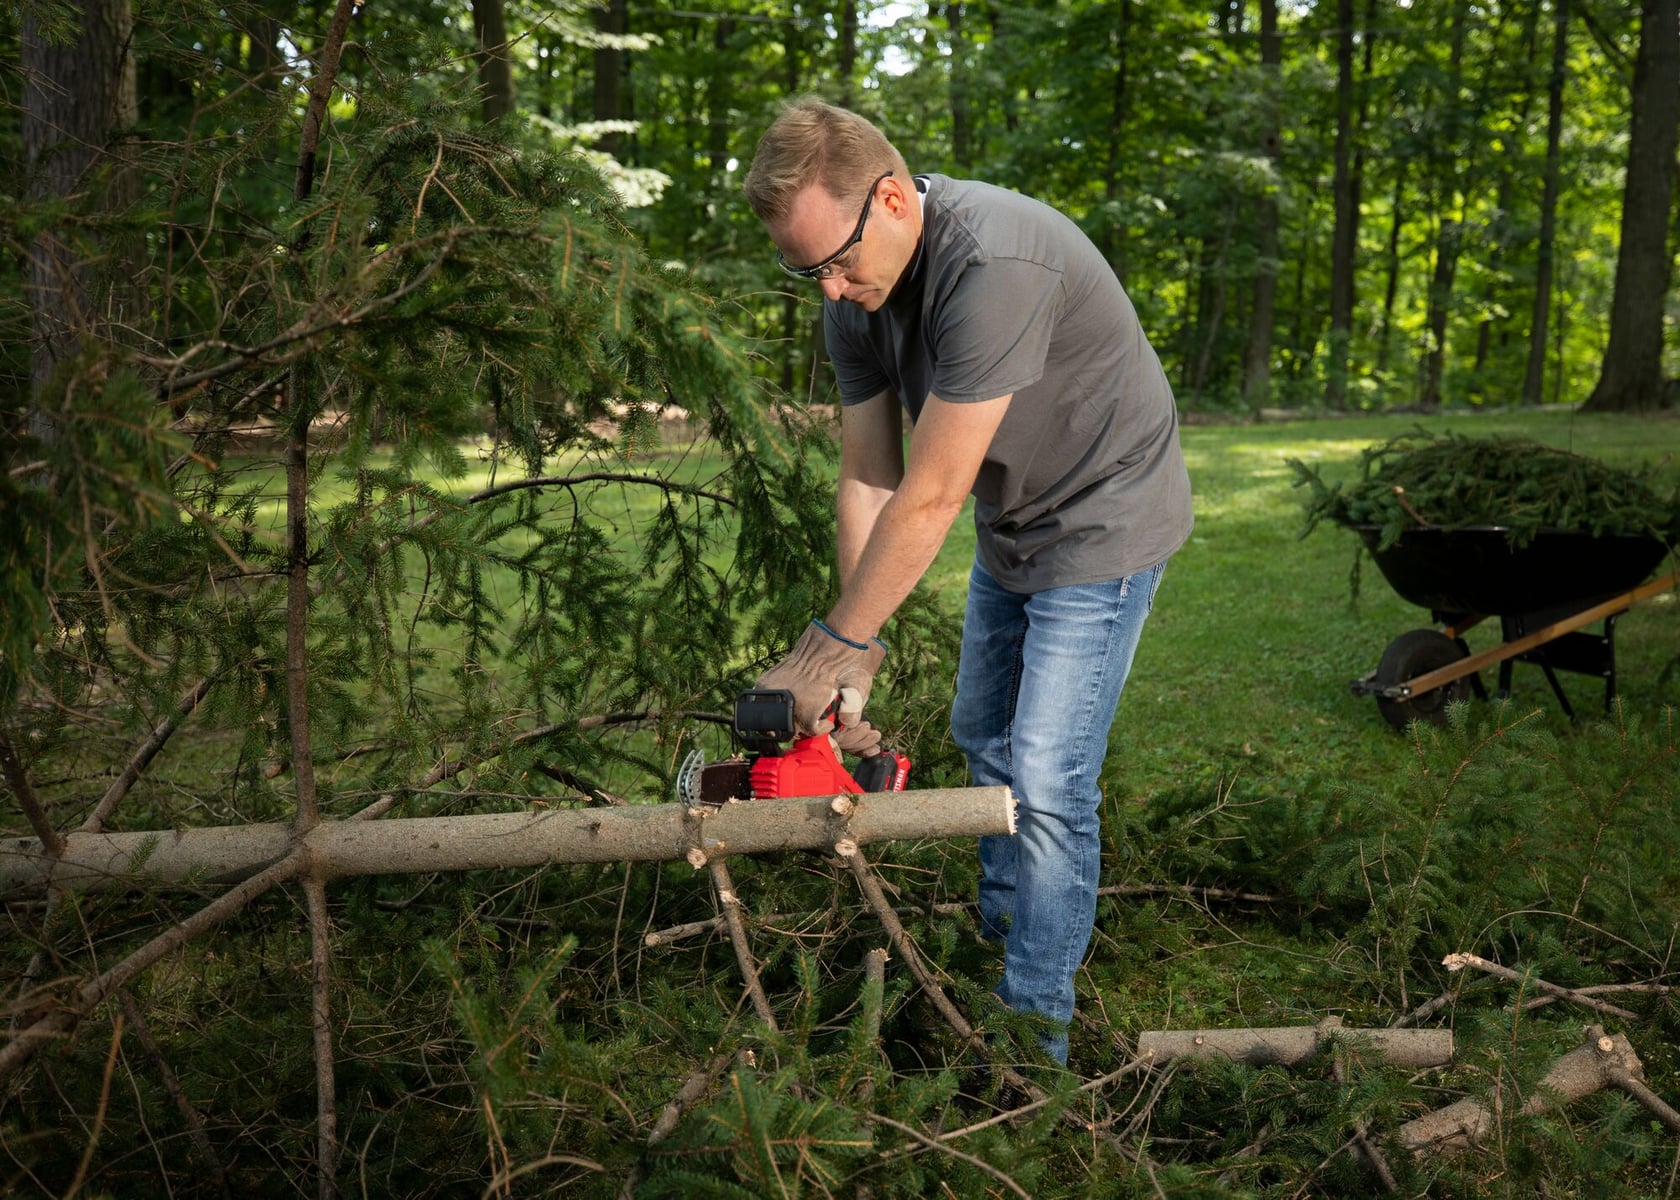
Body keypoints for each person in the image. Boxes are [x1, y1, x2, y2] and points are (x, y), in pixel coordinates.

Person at [742, 98, 1193, 1067]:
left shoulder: (993, 264)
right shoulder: (857, 294)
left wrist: (831, 647)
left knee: (1046, 772)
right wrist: (852, 658)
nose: (826, 290)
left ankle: (1035, 1036)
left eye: (834, 262)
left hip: (1107, 515)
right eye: (803, 270)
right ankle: (1000, 935)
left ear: (895, 199)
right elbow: (870, 475)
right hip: (1016, 517)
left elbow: (934, 490)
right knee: (980, 734)